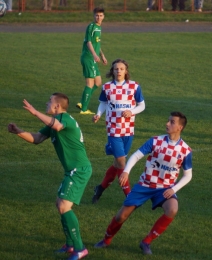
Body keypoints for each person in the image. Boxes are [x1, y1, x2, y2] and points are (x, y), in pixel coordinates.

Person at [94, 111, 192, 255]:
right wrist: (126, 171)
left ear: (180, 128)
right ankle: (106, 240)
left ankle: (146, 241)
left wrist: (174, 189)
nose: (167, 123)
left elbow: (188, 175)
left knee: (172, 209)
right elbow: (135, 156)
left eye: (172, 122)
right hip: (145, 184)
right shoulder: (155, 141)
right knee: (121, 216)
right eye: (168, 120)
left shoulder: (185, 150)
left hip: (164, 188)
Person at [8, 93, 92, 260]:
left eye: (49, 101)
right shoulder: (55, 122)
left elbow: (58, 126)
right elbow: (37, 139)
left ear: (57, 107)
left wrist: (35, 112)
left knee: (63, 206)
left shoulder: (64, 118)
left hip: (79, 169)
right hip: (72, 170)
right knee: (59, 204)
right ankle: (69, 244)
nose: (47, 103)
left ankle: (80, 248)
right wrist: (18, 131)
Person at [91, 58, 145, 204]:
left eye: (121, 69)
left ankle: (100, 189)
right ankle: (129, 197)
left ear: (126, 71)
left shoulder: (134, 86)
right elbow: (103, 103)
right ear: (112, 71)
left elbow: (142, 105)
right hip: (113, 128)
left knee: (117, 164)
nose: (119, 71)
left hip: (128, 130)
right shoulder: (107, 87)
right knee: (122, 163)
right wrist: (98, 114)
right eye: (116, 69)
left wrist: (131, 112)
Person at [76, 7, 108, 115]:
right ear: (94, 16)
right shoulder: (91, 27)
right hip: (88, 58)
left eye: (100, 15)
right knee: (90, 83)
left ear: (103, 16)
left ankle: (82, 102)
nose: (98, 17)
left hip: (92, 58)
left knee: (98, 82)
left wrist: (102, 55)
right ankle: (84, 109)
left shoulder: (99, 28)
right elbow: (88, 42)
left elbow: (96, 44)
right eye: (97, 15)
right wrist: (94, 55)